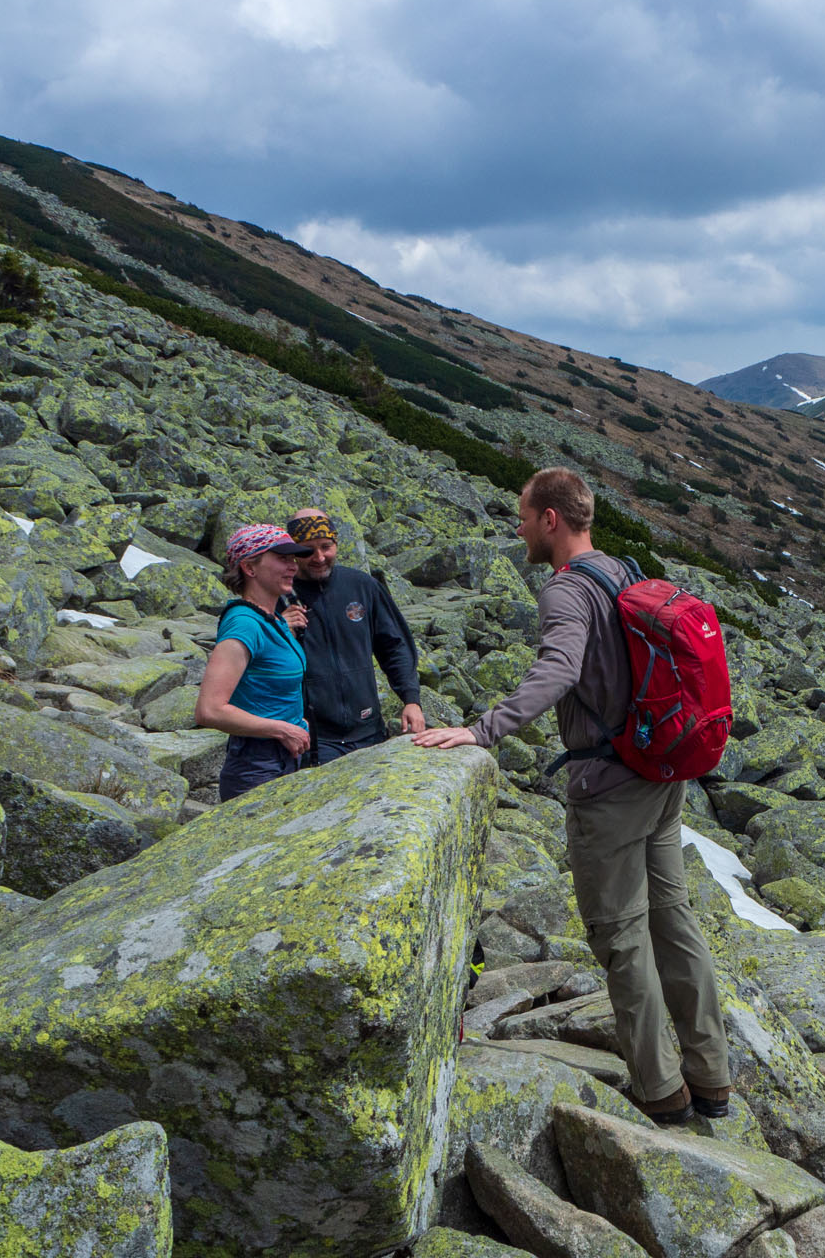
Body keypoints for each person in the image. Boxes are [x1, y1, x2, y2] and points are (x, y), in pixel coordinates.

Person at [415, 468, 731, 1125]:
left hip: (610, 787)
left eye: (524, 515)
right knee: (674, 924)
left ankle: (661, 1093)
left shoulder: (564, 592)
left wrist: (481, 730)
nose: (520, 527)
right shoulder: (620, 569)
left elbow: (557, 669)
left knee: (620, 939)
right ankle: (712, 1078)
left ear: (551, 519)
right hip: (660, 772)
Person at [281, 508, 425, 764]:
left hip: (369, 730)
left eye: (326, 546)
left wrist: (411, 700)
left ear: (336, 542)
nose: (319, 557)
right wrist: (279, 630)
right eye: (307, 549)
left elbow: (394, 647)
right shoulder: (279, 595)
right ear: (292, 550)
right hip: (313, 739)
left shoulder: (362, 586)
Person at [196, 524, 315, 801]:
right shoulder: (244, 624)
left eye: (292, 559)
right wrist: (282, 728)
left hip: (282, 756)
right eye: (282, 559)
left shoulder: (272, 619)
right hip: (257, 765)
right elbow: (209, 710)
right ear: (250, 568)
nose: (293, 567)